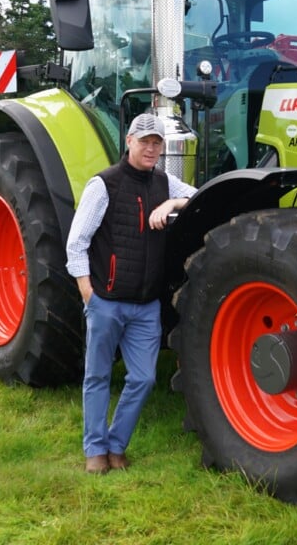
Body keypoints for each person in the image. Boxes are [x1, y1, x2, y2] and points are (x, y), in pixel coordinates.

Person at [65, 113, 196, 475]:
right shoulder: (104, 185)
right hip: (106, 300)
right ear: (129, 141)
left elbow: (201, 197)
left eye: (157, 143)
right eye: (145, 142)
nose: (151, 148)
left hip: (146, 307)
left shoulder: (164, 182)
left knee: (143, 378)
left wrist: (171, 204)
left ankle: (116, 443)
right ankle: (95, 449)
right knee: (98, 376)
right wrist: (89, 293)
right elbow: (77, 243)